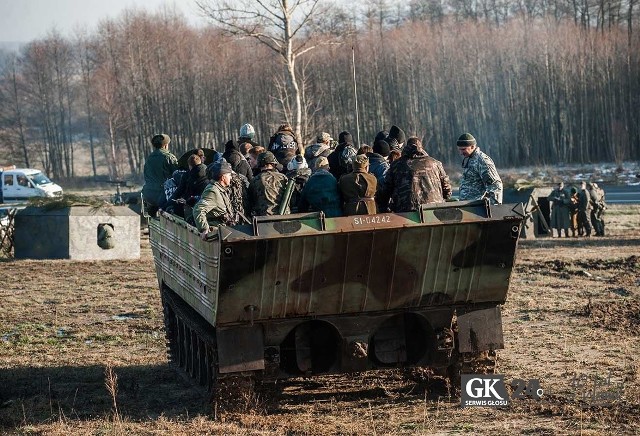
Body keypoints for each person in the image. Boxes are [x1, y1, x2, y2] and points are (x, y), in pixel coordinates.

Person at [377, 137, 452, 212]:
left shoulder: (396, 165)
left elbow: (385, 191)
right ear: (421, 148)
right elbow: (447, 190)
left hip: (405, 212)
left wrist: (383, 208)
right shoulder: (436, 164)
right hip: (433, 210)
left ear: (406, 147)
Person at [193, 161, 236, 240]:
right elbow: (198, 209)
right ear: (223, 177)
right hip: (218, 235)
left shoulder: (221, 189)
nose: (231, 178)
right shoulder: (213, 191)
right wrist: (204, 229)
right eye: (229, 175)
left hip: (225, 231)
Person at [456, 133, 503, 204]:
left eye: (463, 149)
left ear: (472, 146)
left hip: (477, 208)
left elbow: (495, 186)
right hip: (467, 206)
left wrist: (495, 208)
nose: (461, 153)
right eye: (459, 150)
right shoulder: (470, 159)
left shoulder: (482, 161)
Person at [142, 133, 178, 216]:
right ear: (165, 145)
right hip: (163, 195)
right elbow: (177, 176)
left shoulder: (149, 158)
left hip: (149, 194)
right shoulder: (169, 157)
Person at [249, 151, 289, 216]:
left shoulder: (254, 181)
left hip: (264, 218)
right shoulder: (282, 177)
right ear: (273, 164)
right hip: (284, 216)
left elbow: (251, 202)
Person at [169, 153, 209, 220]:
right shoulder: (208, 171)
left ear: (190, 166)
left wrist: (168, 204)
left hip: (194, 206)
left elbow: (181, 192)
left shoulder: (189, 176)